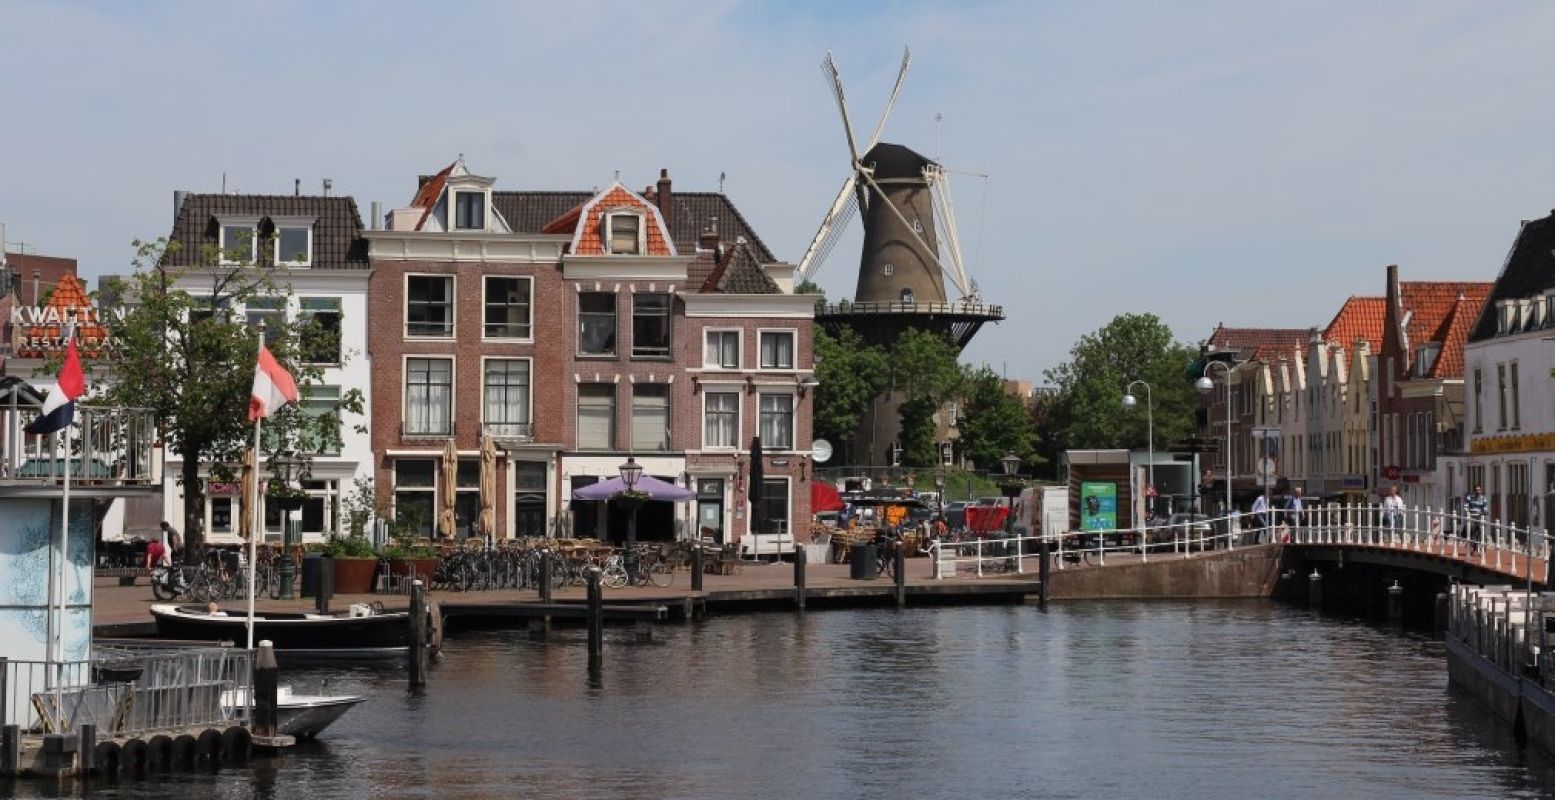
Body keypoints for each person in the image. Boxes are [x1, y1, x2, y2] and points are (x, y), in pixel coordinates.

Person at [1464, 484, 1488, 554]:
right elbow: (1465, 506)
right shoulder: (1469, 497)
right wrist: (1468, 511)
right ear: (1474, 491)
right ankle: (1471, 544)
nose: (1478, 491)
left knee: (1481, 530)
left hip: (1479, 516)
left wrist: (1485, 512)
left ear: (1481, 490)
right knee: (1471, 528)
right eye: (1476, 490)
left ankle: (1482, 544)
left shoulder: (1484, 498)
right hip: (1472, 516)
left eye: (1479, 490)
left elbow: (1485, 507)